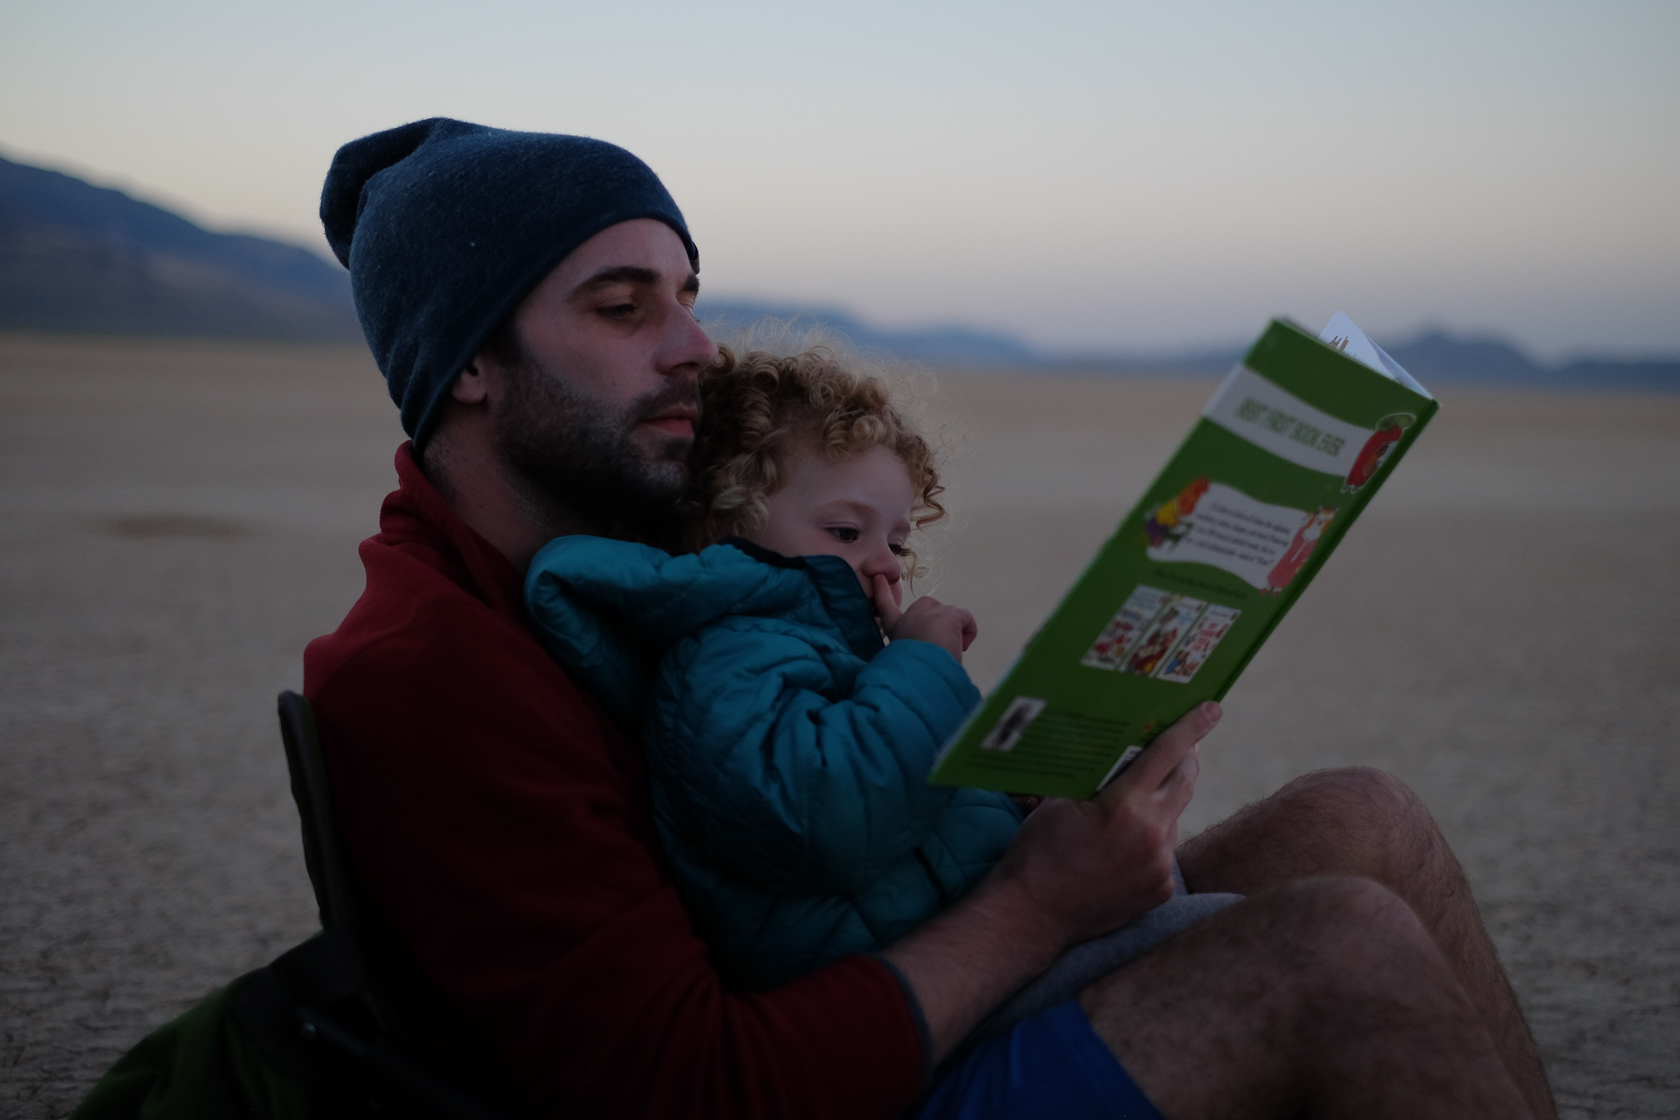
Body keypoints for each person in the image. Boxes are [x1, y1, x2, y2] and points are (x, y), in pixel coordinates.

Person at [304, 117, 1557, 1119]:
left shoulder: (655, 536)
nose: (697, 347)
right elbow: (695, 1086)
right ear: (470, 361)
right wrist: (1041, 905)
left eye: (689, 295)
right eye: (624, 309)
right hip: (820, 1078)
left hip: (893, 969)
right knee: (1337, 949)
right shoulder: (435, 670)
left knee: (1365, 820)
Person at [522, 346, 1238, 999]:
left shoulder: (835, 650)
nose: (885, 564)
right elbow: (828, 814)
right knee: (1246, 942)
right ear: (721, 522)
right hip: (927, 989)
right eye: (845, 531)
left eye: (896, 541)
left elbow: (913, 798)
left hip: (979, 947)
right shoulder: (719, 660)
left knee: (1227, 920)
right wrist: (922, 664)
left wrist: (1010, 790)